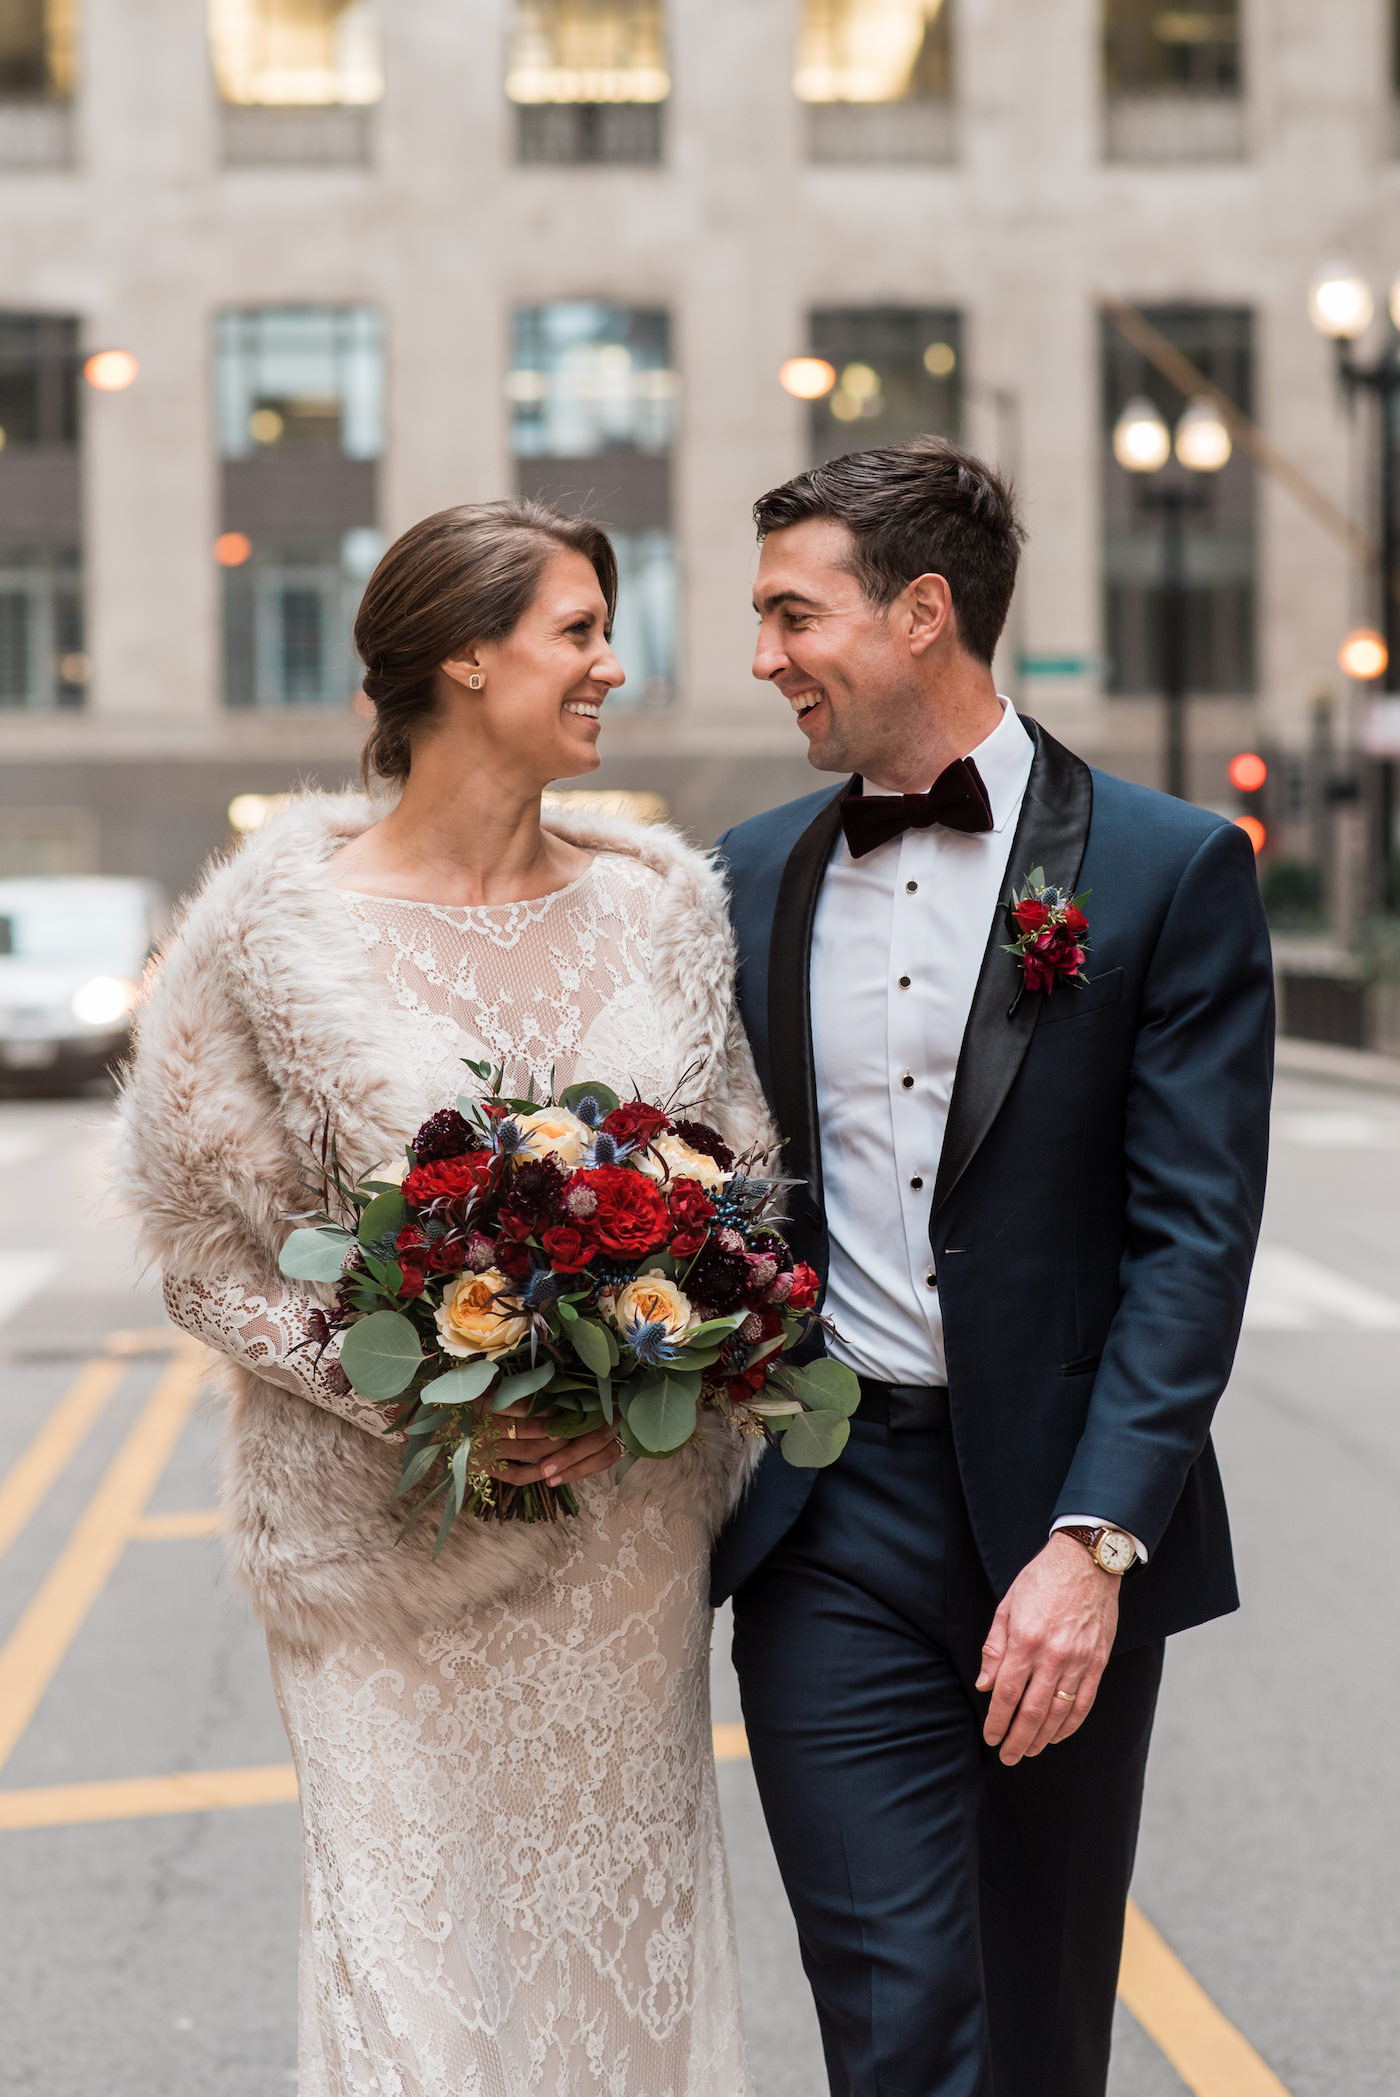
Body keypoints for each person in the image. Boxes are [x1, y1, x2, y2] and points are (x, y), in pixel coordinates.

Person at [117, 500, 768, 2097]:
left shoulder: (663, 908)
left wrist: (620, 1393)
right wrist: (433, 1388)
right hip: (379, 1564)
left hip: (618, 1557)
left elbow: (743, 1200)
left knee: (615, 1961)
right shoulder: (272, 927)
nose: (614, 661)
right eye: (577, 629)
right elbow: (202, 1246)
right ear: (463, 659)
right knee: (417, 1983)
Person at [712, 437, 1274, 2097]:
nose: (763, 659)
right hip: (831, 1513)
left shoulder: (1170, 869)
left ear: (923, 614)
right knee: (894, 2017)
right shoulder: (746, 877)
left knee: (1041, 2022)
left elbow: (1195, 1237)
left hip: (1066, 1511)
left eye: (792, 615)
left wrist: (1097, 1546)